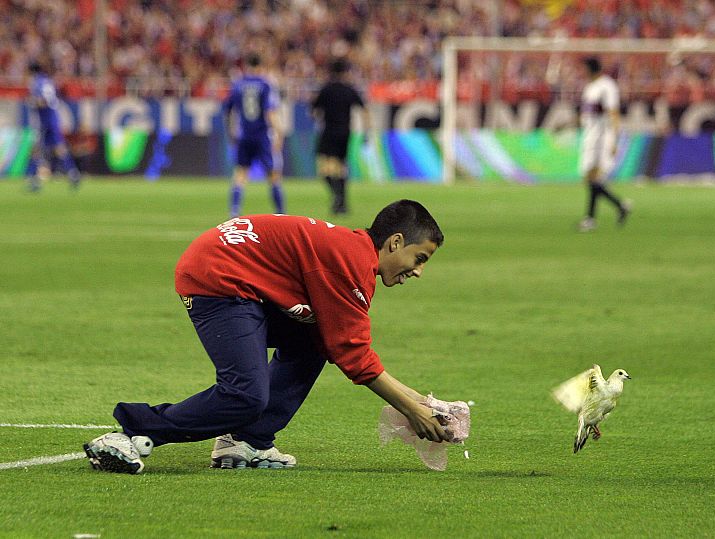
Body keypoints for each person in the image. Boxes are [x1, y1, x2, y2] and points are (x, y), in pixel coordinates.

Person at [84, 199, 449, 474]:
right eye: (419, 258)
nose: (417, 271)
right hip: (218, 279)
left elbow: (342, 347)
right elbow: (355, 356)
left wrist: (424, 404)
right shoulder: (351, 261)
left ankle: (248, 441)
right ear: (395, 242)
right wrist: (413, 409)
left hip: (240, 278)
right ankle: (132, 433)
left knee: (315, 340)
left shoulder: (352, 253)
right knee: (244, 394)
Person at [222, 53, 285, 217]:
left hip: (243, 135)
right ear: (261, 66)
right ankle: (280, 212)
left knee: (240, 174)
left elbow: (227, 111)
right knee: (273, 175)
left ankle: (234, 210)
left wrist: (230, 132)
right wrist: (279, 133)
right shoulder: (265, 84)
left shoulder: (237, 84)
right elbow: (269, 112)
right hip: (262, 136)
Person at [311, 58, 371, 214]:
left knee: (325, 169)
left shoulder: (326, 89)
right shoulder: (349, 89)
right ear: (345, 72)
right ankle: (342, 203)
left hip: (329, 131)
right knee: (342, 167)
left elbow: (314, 111)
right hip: (345, 132)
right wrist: (366, 132)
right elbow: (364, 111)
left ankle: (337, 196)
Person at [578, 57, 630, 232]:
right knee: (591, 178)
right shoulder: (589, 87)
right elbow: (588, 114)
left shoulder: (607, 86)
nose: (582, 72)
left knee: (591, 177)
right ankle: (620, 206)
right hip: (589, 135)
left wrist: (615, 139)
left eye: (584, 68)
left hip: (601, 137)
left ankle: (590, 219)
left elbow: (613, 113)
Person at [26, 62, 81, 192]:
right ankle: (73, 173)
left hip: (45, 120)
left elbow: (43, 101)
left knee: (36, 149)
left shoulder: (36, 82)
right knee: (59, 148)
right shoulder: (47, 81)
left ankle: (35, 180)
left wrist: (32, 101)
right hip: (53, 118)